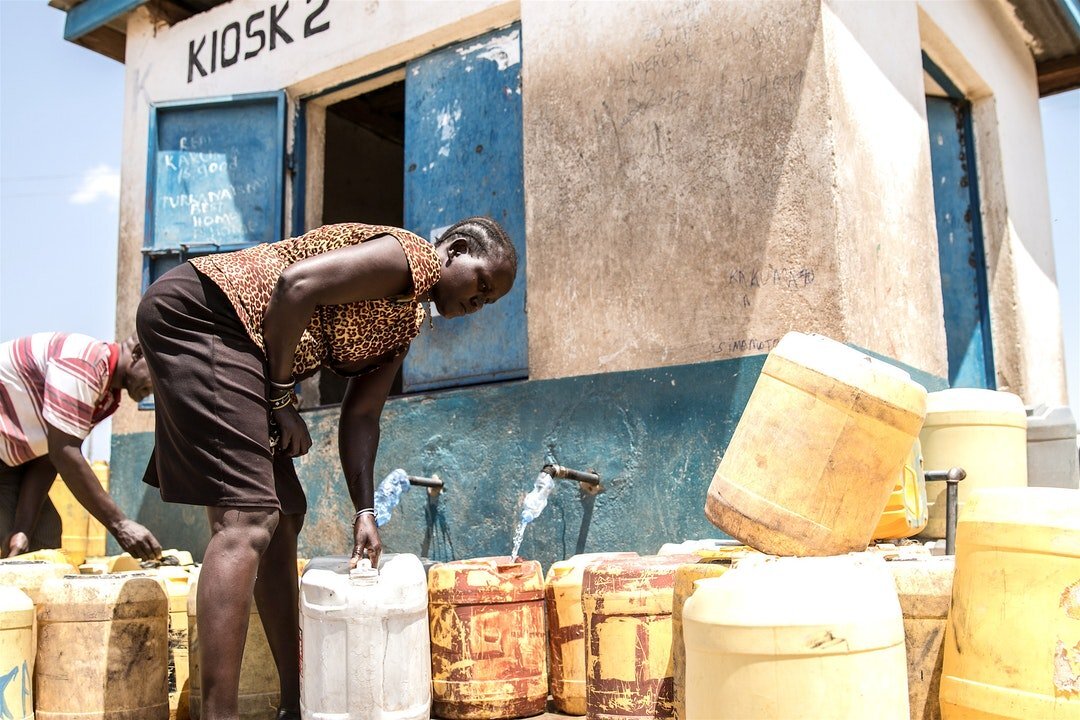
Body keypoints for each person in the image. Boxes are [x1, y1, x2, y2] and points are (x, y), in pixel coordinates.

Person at [136, 218, 517, 720]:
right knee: (248, 519)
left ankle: (295, 705)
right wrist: (280, 398)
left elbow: (361, 417)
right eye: (481, 284)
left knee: (285, 515)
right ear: (458, 249)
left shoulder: (405, 322)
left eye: (488, 301)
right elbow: (296, 285)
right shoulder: (411, 257)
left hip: (247, 347)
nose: (478, 303)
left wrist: (365, 511)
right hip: (208, 315)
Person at [0, 332, 162, 560]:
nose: (156, 388)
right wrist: (120, 524)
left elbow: (49, 457)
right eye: (158, 373)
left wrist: (23, 529)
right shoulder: (84, 363)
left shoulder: (106, 395)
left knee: (42, 537)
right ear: (138, 353)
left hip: (11, 460)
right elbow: (64, 453)